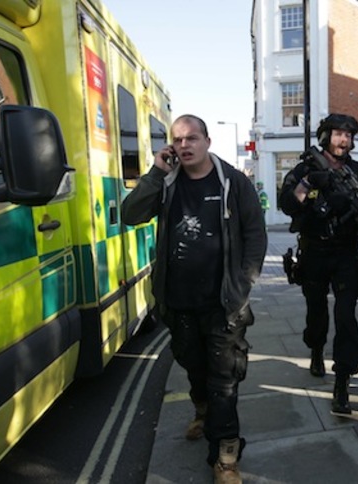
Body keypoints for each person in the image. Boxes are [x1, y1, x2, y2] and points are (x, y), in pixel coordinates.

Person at [121, 114, 267, 484]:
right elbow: (130, 214)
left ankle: (226, 457)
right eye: (178, 139)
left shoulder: (232, 181)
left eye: (192, 138)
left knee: (225, 380)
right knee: (193, 366)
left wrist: (244, 284)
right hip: (179, 303)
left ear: (207, 141)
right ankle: (202, 410)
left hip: (223, 304)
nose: (185, 145)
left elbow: (255, 232)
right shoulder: (167, 183)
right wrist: (155, 173)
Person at [278, 113, 358, 416]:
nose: (344, 140)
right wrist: (310, 183)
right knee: (316, 311)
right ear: (325, 136)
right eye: (338, 134)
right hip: (313, 252)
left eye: (349, 136)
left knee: (346, 316)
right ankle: (315, 349)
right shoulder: (306, 169)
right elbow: (286, 202)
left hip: (346, 254)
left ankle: (342, 381)